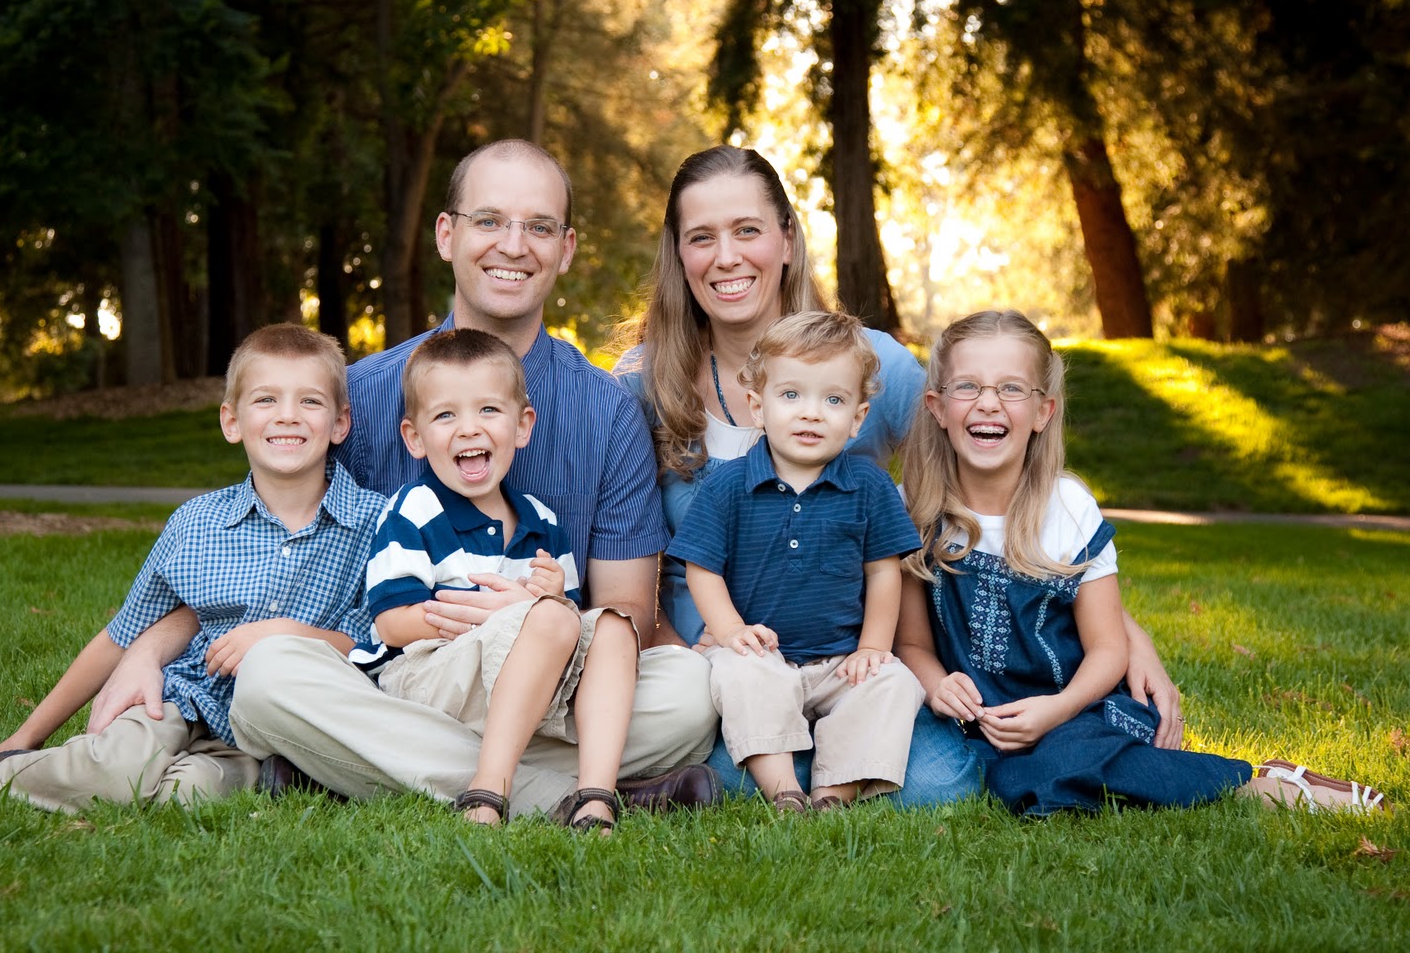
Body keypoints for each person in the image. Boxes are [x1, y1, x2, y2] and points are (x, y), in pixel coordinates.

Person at [100, 139, 719, 819]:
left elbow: (627, 611)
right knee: (269, 677)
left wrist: (535, 620)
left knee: (687, 692)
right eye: (488, 221)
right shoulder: (362, 399)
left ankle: (352, 769)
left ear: (565, 249)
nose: (513, 245)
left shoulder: (606, 411)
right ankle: (569, 787)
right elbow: (270, 553)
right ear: (447, 235)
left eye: (538, 227)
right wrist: (149, 647)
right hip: (403, 682)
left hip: (556, 681)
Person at [613, 144, 1189, 803]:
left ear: (788, 240)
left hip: (850, 654)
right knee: (732, 735)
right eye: (701, 237)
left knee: (936, 783)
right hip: (714, 660)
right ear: (678, 254)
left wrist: (1123, 636)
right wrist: (676, 652)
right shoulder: (642, 383)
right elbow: (619, 554)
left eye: (748, 230)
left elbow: (993, 476)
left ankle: (799, 771)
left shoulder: (870, 363)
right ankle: (757, 767)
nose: (727, 257)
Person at [0, 325, 388, 810]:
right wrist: (25, 735)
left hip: (266, 728)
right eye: (266, 399)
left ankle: (268, 775)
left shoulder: (374, 524)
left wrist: (288, 634)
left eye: (310, 401)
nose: (287, 415)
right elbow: (122, 635)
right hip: (181, 698)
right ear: (232, 421)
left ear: (340, 422)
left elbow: (374, 643)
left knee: (189, 796)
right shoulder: (197, 523)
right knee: (118, 768)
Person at [893, 309, 1389, 816]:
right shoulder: (915, 509)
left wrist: (1055, 711)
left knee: (1056, 763)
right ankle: (1093, 772)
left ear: (1043, 412)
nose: (989, 404)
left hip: (1077, 708)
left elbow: (1108, 649)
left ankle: (1255, 785)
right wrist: (937, 686)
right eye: (968, 387)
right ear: (937, 406)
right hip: (980, 727)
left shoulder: (1067, 508)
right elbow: (911, 641)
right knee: (1006, 780)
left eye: (1012, 389)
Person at [367, 328, 638, 831]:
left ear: (522, 425)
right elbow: (390, 625)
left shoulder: (543, 521)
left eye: (488, 410)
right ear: (415, 437)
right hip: (433, 676)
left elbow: (573, 630)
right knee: (549, 622)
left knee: (614, 627)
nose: (469, 429)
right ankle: (488, 792)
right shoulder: (416, 509)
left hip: (524, 683)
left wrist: (554, 600)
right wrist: (507, 620)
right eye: (446, 415)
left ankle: (596, 796)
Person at [670, 312, 925, 812]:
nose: (811, 413)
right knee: (743, 674)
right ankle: (784, 789)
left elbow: (883, 571)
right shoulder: (727, 485)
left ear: (857, 418)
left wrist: (873, 647)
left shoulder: (869, 486)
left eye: (833, 400)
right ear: (757, 406)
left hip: (839, 661)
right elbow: (703, 568)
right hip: (763, 653)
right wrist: (730, 631)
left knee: (893, 682)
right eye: (791, 396)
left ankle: (834, 791)